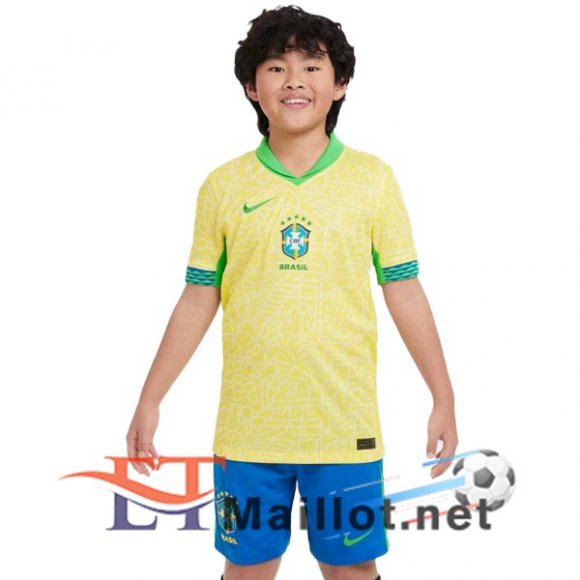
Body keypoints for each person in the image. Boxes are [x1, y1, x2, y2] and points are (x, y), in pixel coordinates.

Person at [126, 5, 458, 580]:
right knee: (247, 568)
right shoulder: (224, 186)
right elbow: (198, 298)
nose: (294, 80)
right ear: (252, 87)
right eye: (277, 68)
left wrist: (442, 396)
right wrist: (150, 398)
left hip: (344, 425)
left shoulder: (372, 180)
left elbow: (403, 290)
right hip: (249, 430)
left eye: (311, 66)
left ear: (340, 83)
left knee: (352, 568)